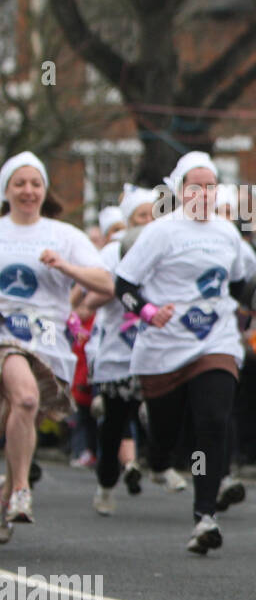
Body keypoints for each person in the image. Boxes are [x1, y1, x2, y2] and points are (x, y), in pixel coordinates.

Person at [114, 152, 256, 553]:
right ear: (179, 191)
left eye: (210, 186)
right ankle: (157, 453)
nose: (204, 193)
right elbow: (123, 285)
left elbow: (241, 285)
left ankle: (204, 515)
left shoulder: (227, 232)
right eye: (195, 186)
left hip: (216, 341)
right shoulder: (161, 232)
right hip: (163, 348)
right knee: (167, 435)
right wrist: (147, 311)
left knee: (212, 419)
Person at [0, 152, 113, 540]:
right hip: (3, 335)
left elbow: (107, 283)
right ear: (6, 190)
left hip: (48, 342)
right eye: (20, 183)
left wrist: (66, 267)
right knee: (27, 400)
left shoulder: (64, 235)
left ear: (44, 190)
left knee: (18, 413)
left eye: (35, 183)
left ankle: (7, 495)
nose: (28, 190)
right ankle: (20, 491)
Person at [83, 183, 157, 514]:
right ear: (128, 220)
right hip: (118, 353)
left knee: (174, 415)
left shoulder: (163, 247)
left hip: (157, 351)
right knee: (114, 426)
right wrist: (125, 289)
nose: (147, 220)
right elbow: (89, 301)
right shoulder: (112, 252)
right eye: (140, 215)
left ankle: (178, 470)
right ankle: (106, 482)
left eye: (152, 214)